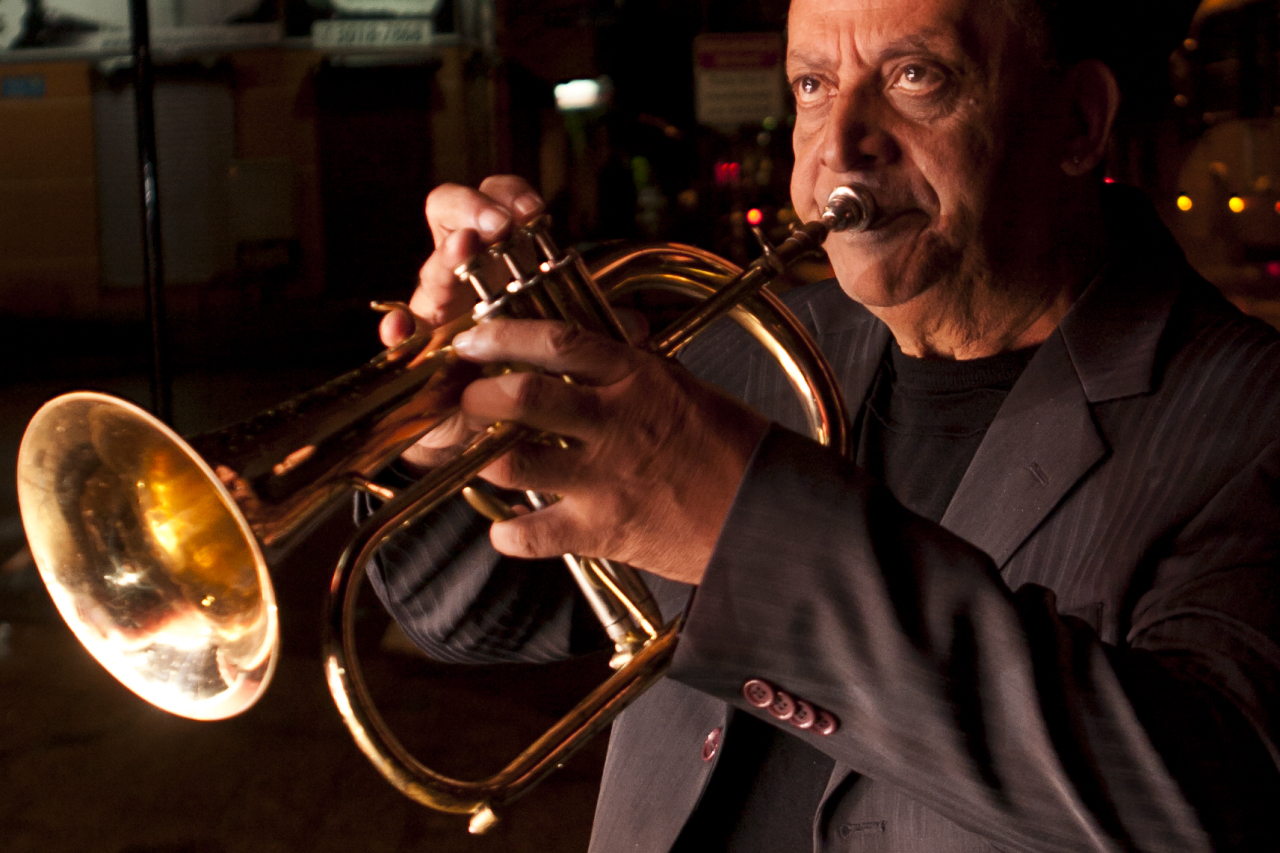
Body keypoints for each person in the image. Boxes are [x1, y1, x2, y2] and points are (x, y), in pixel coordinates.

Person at [365, 0, 1280, 849]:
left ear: (1076, 123)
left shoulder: (1250, 415)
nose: (840, 144)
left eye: (916, 76)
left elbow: (1204, 801)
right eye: (813, 85)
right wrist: (459, 433)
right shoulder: (755, 347)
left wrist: (749, 537)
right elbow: (481, 613)